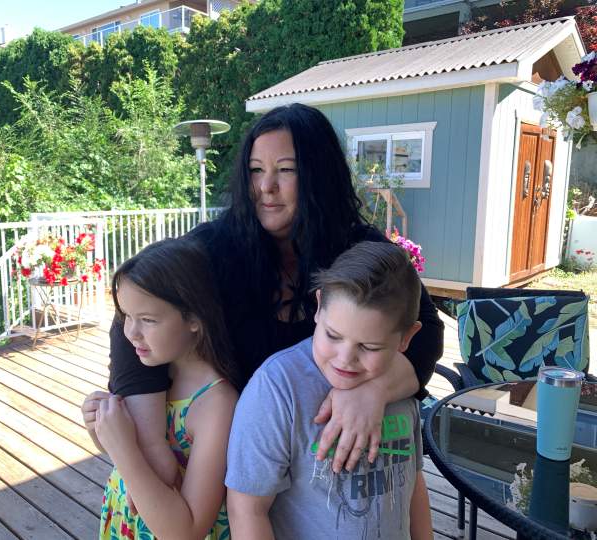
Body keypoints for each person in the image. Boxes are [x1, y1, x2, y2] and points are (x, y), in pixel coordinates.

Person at [103, 103, 444, 500]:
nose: (266, 186)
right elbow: (133, 316)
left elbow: (426, 331)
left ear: (318, 175)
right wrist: (150, 445)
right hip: (232, 478)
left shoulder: (357, 249)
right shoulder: (213, 247)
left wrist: (375, 389)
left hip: (322, 480)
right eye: (255, 170)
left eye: (285, 170)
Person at [226, 241, 433, 539]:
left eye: (369, 347)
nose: (345, 358)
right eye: (333, 335)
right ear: (319, 305)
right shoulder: (276, 389)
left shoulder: (400, 389)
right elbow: (246, 509)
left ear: (406, 338)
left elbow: (413, 483)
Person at [81, 237, 240, 539]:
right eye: (126, 316)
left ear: (194, 318)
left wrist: (122, 447)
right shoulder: (149, 381)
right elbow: (118, 449)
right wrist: (100, 427)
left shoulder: (216, 404)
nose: (131, 333)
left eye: (148, 320)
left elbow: (188, 530)